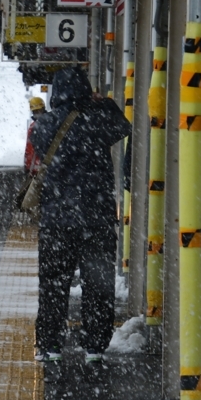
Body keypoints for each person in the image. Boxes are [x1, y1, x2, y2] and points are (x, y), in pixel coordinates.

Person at [28, 67, 130, 363]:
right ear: (86, 90)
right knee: (98, 283)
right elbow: (121, 126)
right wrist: (100, 101)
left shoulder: (44, 125)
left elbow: (38, 143)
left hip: (57, 220)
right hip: (95, 219)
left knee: (53, 284)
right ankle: (95, 347)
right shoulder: (99, 119)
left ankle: (49, 345)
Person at [23, 96, 46, 175]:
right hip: (34, 169)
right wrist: (27, 166)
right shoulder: (32, 127)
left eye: (39, 110)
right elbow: (28, 149)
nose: (37, 113)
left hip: (44, 168)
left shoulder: (49, 125)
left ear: (43, 109)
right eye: (35, 111)